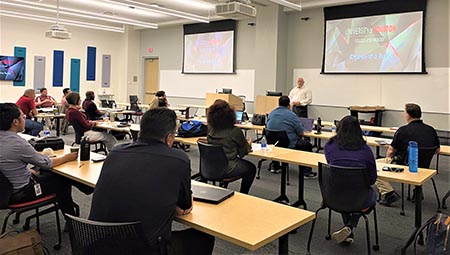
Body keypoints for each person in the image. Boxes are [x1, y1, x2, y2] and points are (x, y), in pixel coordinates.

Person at [89, 108, 215, 255]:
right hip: (143, 249)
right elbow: (184, 207)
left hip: (97, 245)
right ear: (169, 137)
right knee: (204, 237)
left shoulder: (115, 152)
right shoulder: (179, 159)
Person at [0, 103, 78, 217]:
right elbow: (47, 163)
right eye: (22, 116)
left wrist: (26, 171)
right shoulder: (17, 143)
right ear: (15, 122)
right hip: (20, 193)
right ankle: (72, 220)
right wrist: (67, 158)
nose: (24, 118)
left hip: (5, 190)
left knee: (45, 173)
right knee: (62, 181)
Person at [324, 115, 377, 244]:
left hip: (333, 196)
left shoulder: (329, 146)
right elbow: (372, 179)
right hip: (359, 199)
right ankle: (350, 225)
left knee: (345, 189)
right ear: (359, 130)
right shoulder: (366, 150)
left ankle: (348, 229)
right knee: (360, 193)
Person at [376, 103, 440, 206]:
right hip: (424, 168)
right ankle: (417, 190)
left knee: (374, 166)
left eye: (404, 112)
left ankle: (389, 193)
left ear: (408, 115)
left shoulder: (403, 130)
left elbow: (391, 151)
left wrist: (389, 164)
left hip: (403, 165)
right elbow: (437, 150)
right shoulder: (431, 130)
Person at [207, 99, 256, 194]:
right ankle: (244, 193)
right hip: (228, 168)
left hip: (211, 167)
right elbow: (244, 152)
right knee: (251, 168)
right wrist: (248, 144)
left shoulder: (210, 130)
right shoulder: (235, 131)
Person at [266, 96, 317, 178]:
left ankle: (275, 166)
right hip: (288, 143)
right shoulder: (292, 115)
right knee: (307, 145)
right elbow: (301, 132)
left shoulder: (271, 113)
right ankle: (306, 172)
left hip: (273, 143)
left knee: (277, 140)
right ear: (289, 105)